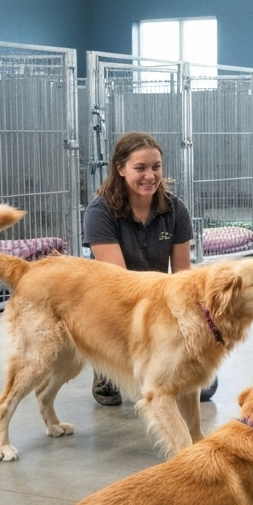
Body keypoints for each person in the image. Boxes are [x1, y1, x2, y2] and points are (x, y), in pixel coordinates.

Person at [82, 131, 217, 405]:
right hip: (116, 304)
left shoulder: (175, 209)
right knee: (122, 389)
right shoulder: (100, 212)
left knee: (204, 388)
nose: (150, 176)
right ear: (120, 169)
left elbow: (182, 277)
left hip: (160, 300)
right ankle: (105, 363)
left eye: (156, 167)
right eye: (140, 168)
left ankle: (152, 361)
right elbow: (119, 283)